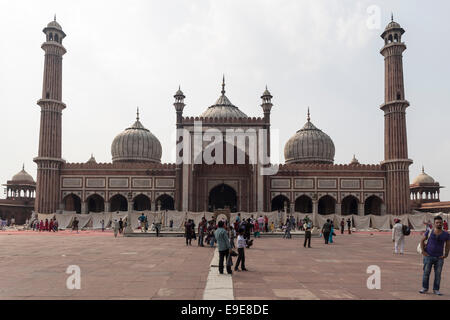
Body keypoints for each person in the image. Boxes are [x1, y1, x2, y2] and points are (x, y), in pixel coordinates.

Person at [419, 216, 449, 295]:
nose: (439, 224)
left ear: (442, 223)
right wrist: (423, 252)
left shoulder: (446, 234)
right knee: (426, 273)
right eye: (437, 223)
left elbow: (448, 245)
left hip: (439, 257)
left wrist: (446, 254)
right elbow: (422, 240)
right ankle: (424, 288)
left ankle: (436, 289)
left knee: (438, 275)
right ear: (434, 223)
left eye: (440, 222)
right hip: (428, 256)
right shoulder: (429, 232)